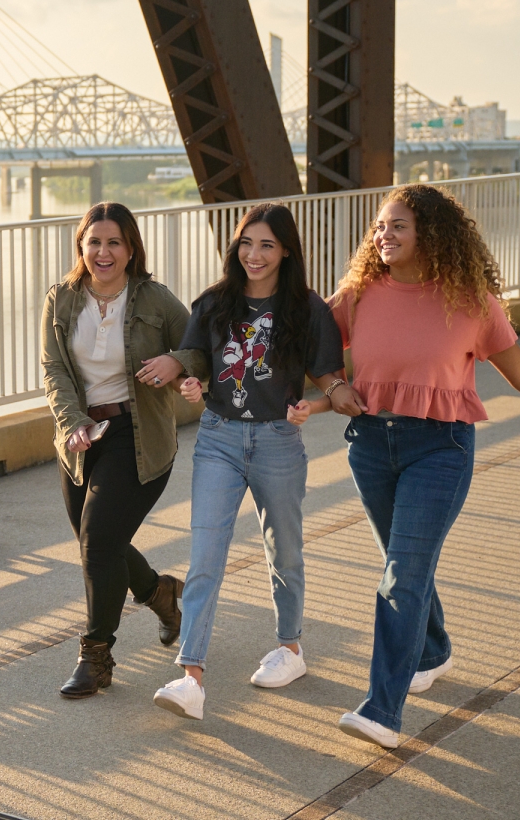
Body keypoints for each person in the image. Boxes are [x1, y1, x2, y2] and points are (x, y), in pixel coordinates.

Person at [329, 184, 520, 749]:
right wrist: (332, 385)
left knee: (402, 575)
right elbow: (310, 350)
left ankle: (383, 708)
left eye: (399, 226)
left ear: (430, 233)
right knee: (403, 563)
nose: (384, 236)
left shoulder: (470, 301)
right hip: (370, 446)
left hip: (440, 449)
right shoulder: (357, 295)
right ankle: (432, 651)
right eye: (380, 227)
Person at [147, 203, 355, 722]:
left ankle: (290, 649)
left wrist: (326, 397)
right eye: (246, 243)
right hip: (218, 436)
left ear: (286, 250)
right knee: (205, 556)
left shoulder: (307, 309)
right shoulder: (214, 302)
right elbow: (192, 366)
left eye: (266, 245)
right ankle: (191, 676)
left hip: (278, 440)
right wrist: (188, 383)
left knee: (283, 551)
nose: (254, 255)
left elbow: (326, 373)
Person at [41, 202, 200, 698]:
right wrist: (74, 422)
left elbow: (200, 346)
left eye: (114, 243)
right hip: (80, 439)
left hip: (138, 436)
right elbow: (55, 372)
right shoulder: (62, 300)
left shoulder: (155, 299)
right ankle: (162, 595)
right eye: (94, 242)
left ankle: (96, 657)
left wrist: (177, 362)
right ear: (81, 247)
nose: (104, 252)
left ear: (131, 248)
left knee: (98, 541)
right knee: (99, 544)